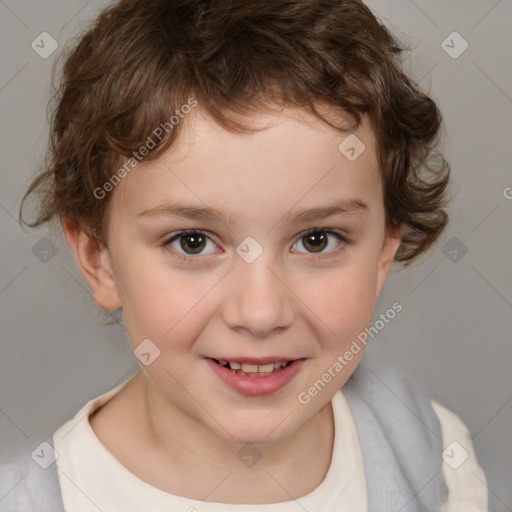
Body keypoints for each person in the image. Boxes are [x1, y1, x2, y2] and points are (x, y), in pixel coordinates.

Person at [1, 0, 488, 510]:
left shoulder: (431, 455)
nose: (260, 313)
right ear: (99, 258)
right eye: (192, 242)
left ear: (384, 251)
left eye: (317, 239)